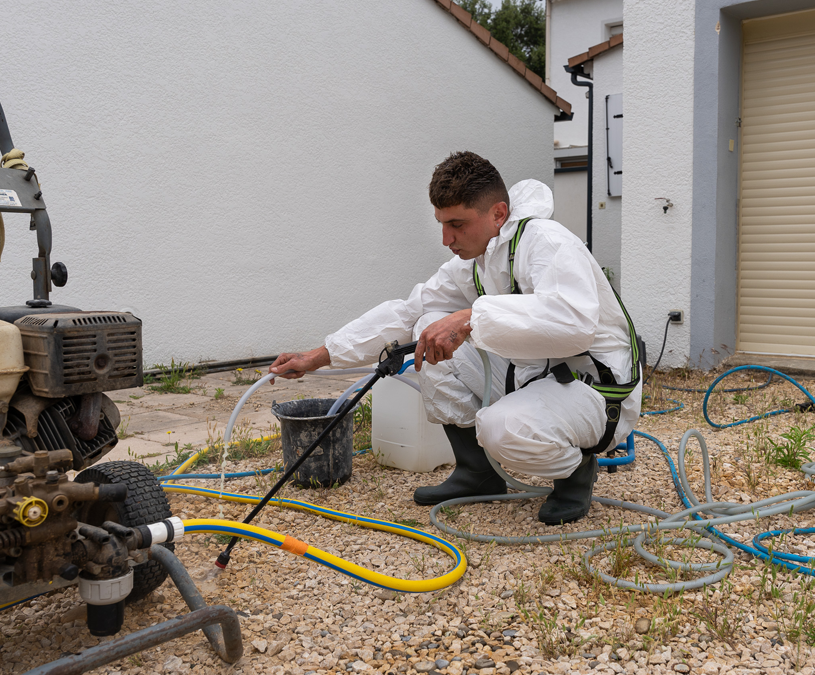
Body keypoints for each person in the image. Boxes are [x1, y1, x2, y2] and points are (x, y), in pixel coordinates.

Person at [270, 151, 641, 525]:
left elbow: (573, 325)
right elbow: (407, 311)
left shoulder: (546, 242)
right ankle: (478, 471)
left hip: (596, 391)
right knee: (426, 327)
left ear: (498, 213)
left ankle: (575, 471)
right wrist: (318, 356)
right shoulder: (476, 260)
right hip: (537, 375)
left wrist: (470, 316)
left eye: (457, 224)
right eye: (442, 224)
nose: (447, 238)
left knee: (501, 427)